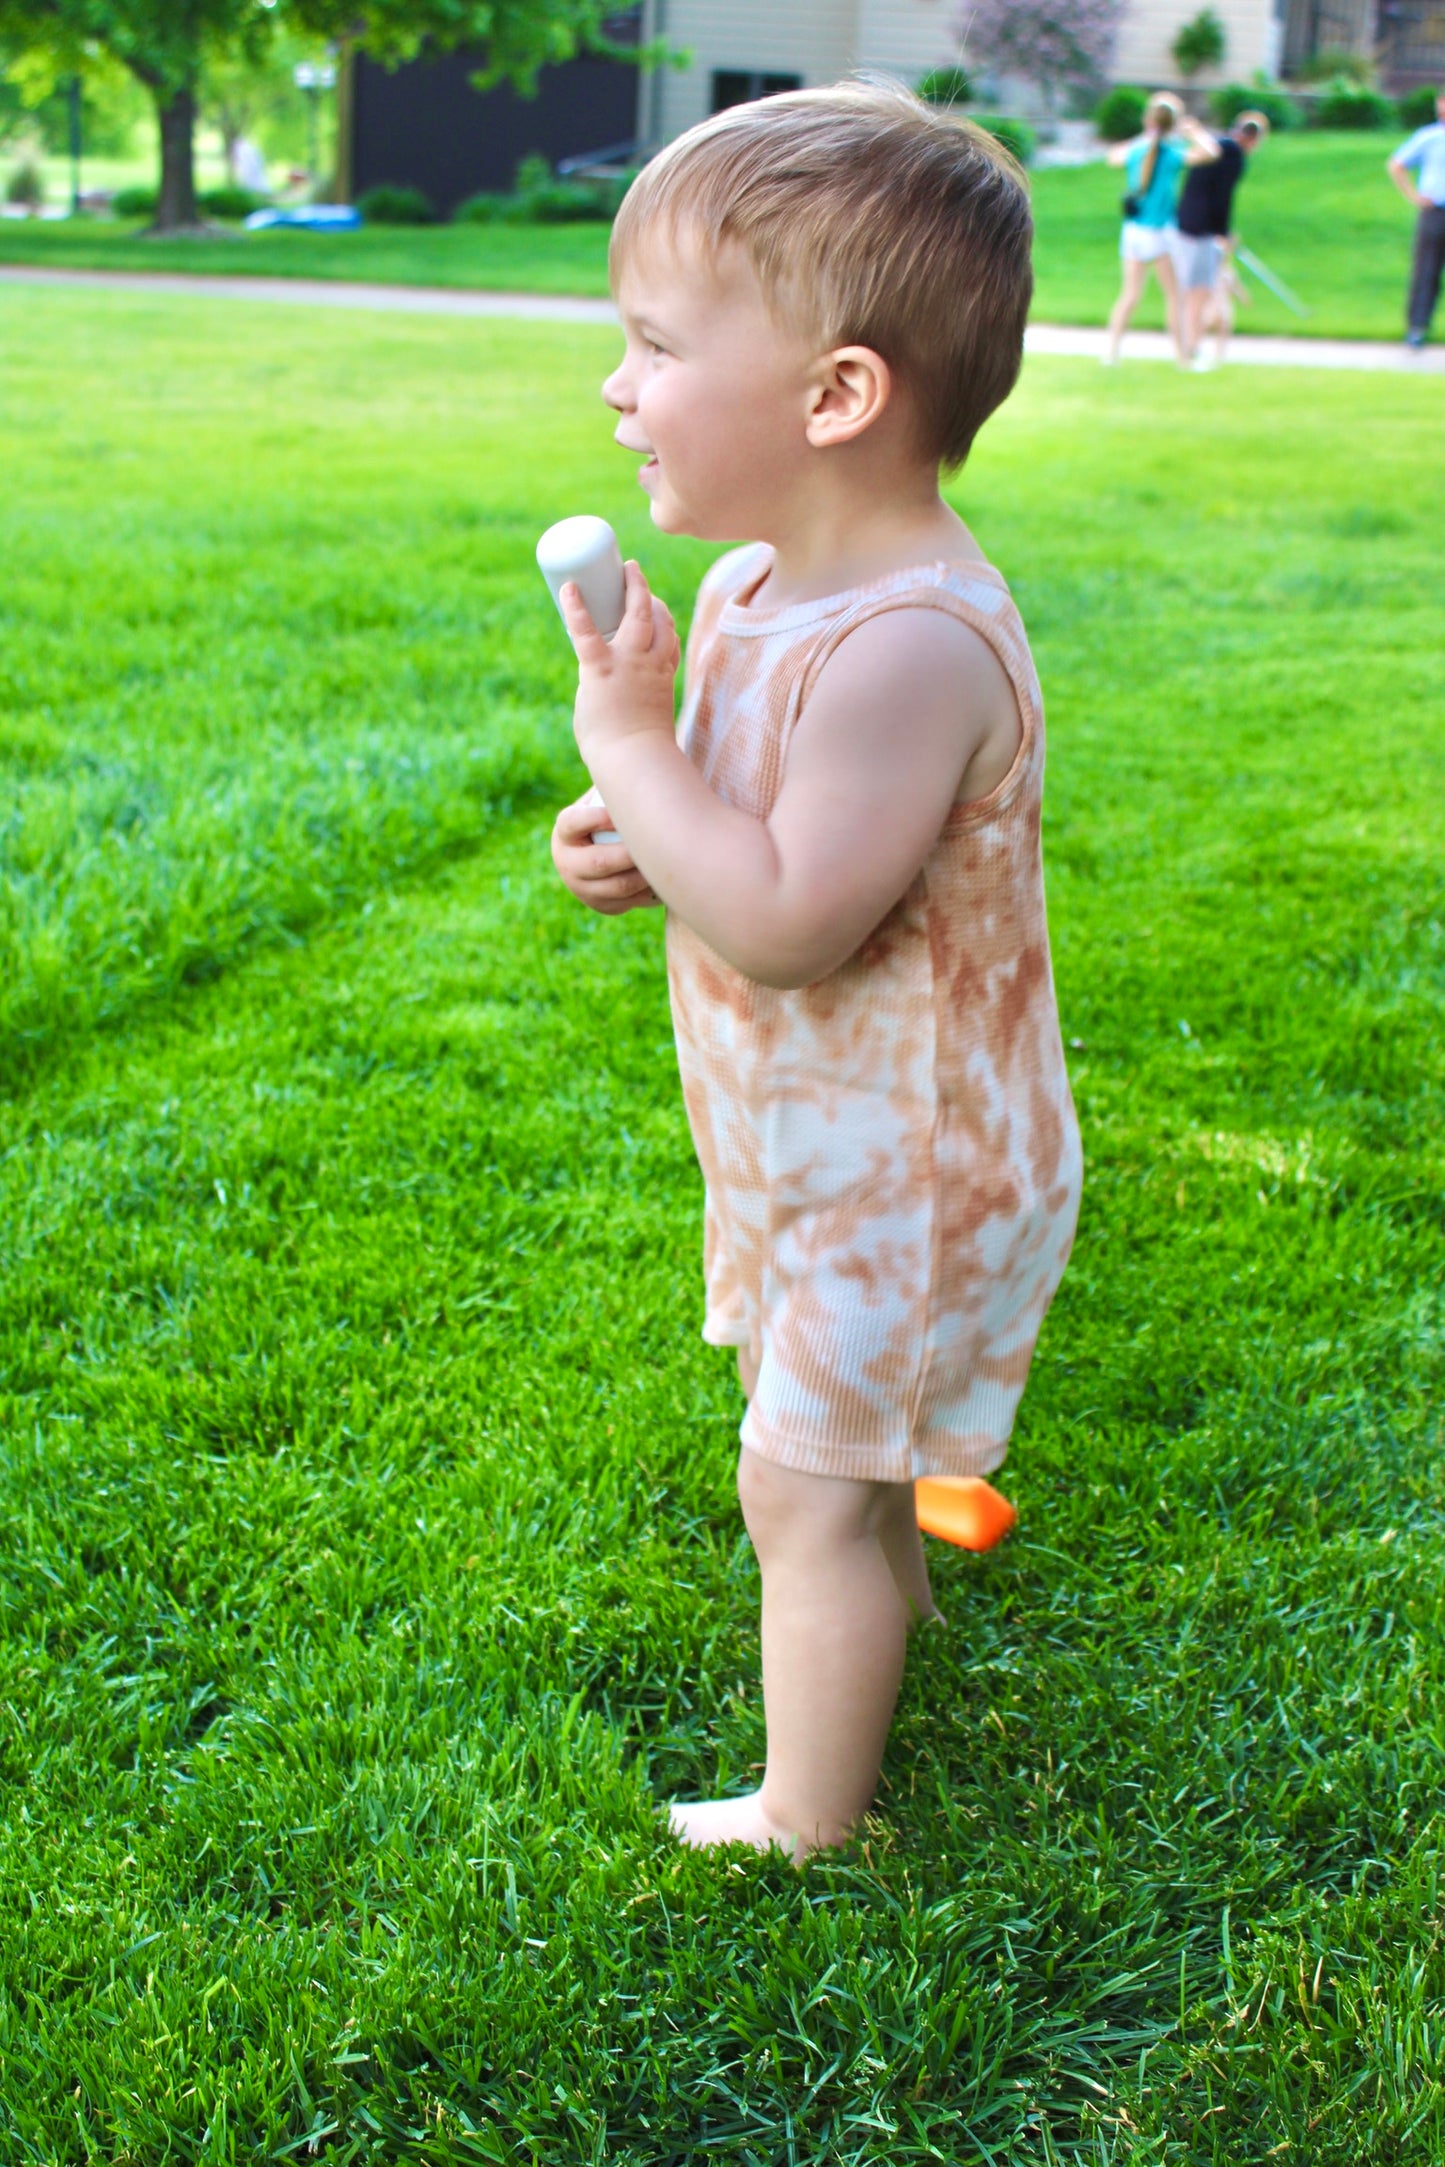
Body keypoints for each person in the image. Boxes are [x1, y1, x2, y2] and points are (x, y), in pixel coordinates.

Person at [548, 82, 1082, 1859]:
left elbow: (787, 917)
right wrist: (633, 827)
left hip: (913, 1170)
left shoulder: (909, 647)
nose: (617, 386)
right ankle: (873, 1635)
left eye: (654, 345)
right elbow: (734, 843)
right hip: (808, 1139)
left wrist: (625, 741)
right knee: (836, 1464)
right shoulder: (754, 589)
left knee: (798, 1486)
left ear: (837, 396)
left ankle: (809, 1820)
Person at [1104, 92, 1220, 366]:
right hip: (1158, 234)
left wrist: (1145, 135)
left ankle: (1111, 353)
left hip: (1132, 232)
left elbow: (1112, 157)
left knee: (1130, 295)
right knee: (1174, 297)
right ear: (1173, 123)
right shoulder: (1170, 155)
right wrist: (1194, 132)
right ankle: (1182, 359)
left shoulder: (1139, 150)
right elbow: (1210, 153)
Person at [1175, 110, 1268, 369]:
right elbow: (1222, 199)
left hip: (1184, 224)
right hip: (1202, 231)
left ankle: (1191, 348)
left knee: (1191, 292)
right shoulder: (1234, 156)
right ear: (1254, 139)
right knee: (1199, 293)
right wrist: (1223, 233)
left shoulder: (1215, 146)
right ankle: (1191, 350)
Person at [1387, 90, 1445, 349]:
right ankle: (1417, 327)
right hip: (1435, 211)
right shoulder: (1430, 137)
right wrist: (1414, 196)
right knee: (1426, 270)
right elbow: (1397, 164)